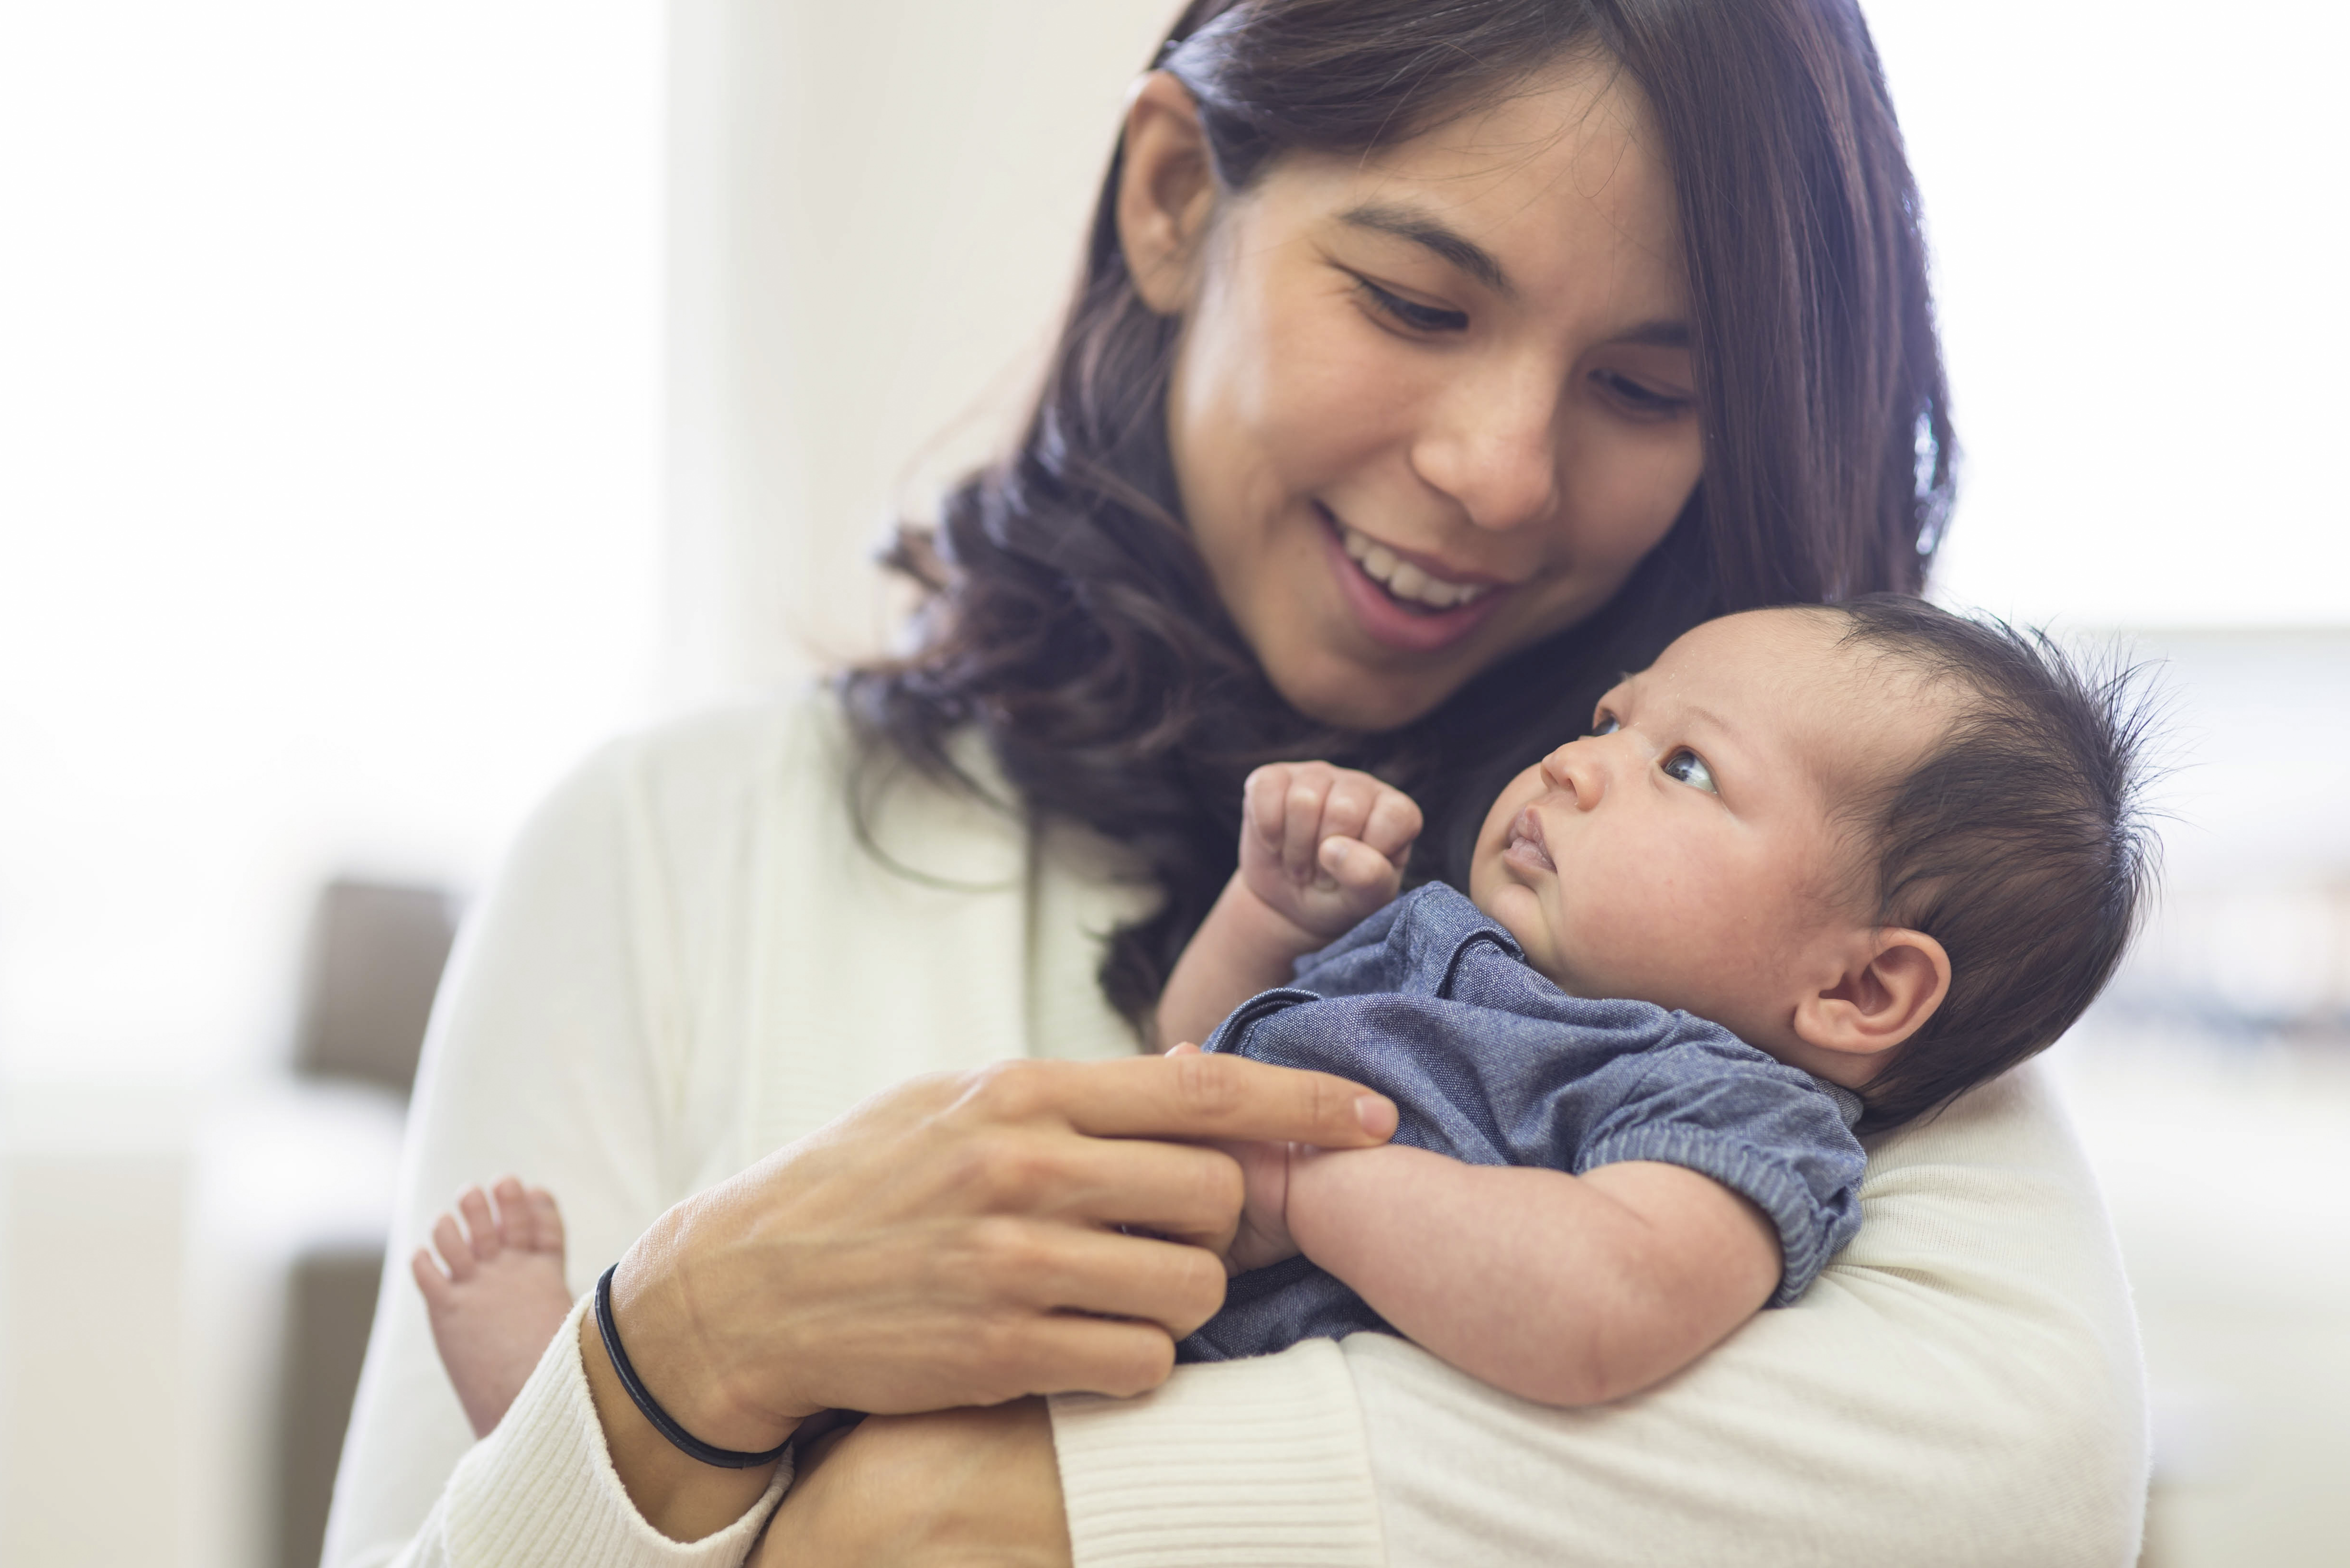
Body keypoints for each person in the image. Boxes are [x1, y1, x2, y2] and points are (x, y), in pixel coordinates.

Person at [324, 3, 2153, 1565]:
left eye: (1643, 387)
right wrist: (682, 1350)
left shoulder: (1785, 951)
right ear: (1178, 202)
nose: (1500, 471)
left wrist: (943, 1514)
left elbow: (2023, 1467)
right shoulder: (664, 848)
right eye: (1418, 302)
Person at [408, 597, 2150, 1431]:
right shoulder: (1447, 944)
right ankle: (574, 1398)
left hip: (1187, 1403)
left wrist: (1306, 1181)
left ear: (1859, 987)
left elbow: (1597, 1314)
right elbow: (1195, 1054)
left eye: (1685, 767)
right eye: (1617, 719)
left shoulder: (1721, 1112)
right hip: (1084, 1293)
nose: (1586, 762)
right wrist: (1269, 921)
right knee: (847, 1381)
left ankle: (607, 1423)